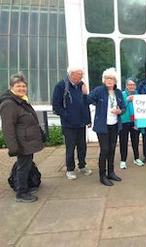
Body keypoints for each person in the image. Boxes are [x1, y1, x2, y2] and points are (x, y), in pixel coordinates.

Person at [0, 72, 43, 203]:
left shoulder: (21, 100)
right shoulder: (9, 104)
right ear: (11, 87)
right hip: (21, 142)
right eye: (18, 86)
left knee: (25, 164)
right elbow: (8, 128)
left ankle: (25, 186)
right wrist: (13, 147)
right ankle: (21, 193)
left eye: (24, 86)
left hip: (27, 141)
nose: (22, 89)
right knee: (23, 167)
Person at [52, 66, 92, 180]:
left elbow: (85, 104)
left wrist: (88, 119)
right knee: (70, 147)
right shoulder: (61, 86)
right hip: (69, 124)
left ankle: (82, 166)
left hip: (81, 123)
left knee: (82, 146)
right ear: (72, 74)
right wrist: (67, 116)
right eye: (80, 73)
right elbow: (56, 106)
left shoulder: (81, 85)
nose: (82, 76)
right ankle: (70, 169)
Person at [87, 68, 125, 186]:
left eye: (111, 78)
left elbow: (123, 108)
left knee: (112, 149)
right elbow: (88, 100)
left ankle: (111, 172)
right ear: (104, 80)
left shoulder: (118, 92)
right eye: (107, 78)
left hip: (114, 125)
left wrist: (120, 111)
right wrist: (83, 93)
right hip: (102, 126)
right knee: (105, 150)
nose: (109, 80)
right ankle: (102, 176)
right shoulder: (99, 91)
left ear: (115, 81)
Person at [119, 78, 144, 169]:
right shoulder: (122, 95)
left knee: (135, 140)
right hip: (124, 121)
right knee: (123, 141)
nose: (132, 86)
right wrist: (127, 100)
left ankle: (136, 158)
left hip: (135, 121)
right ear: (126, 86)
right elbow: (119, 106)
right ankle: (123, 160)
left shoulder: (138, 95)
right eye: (130, 85)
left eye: (133, 85)